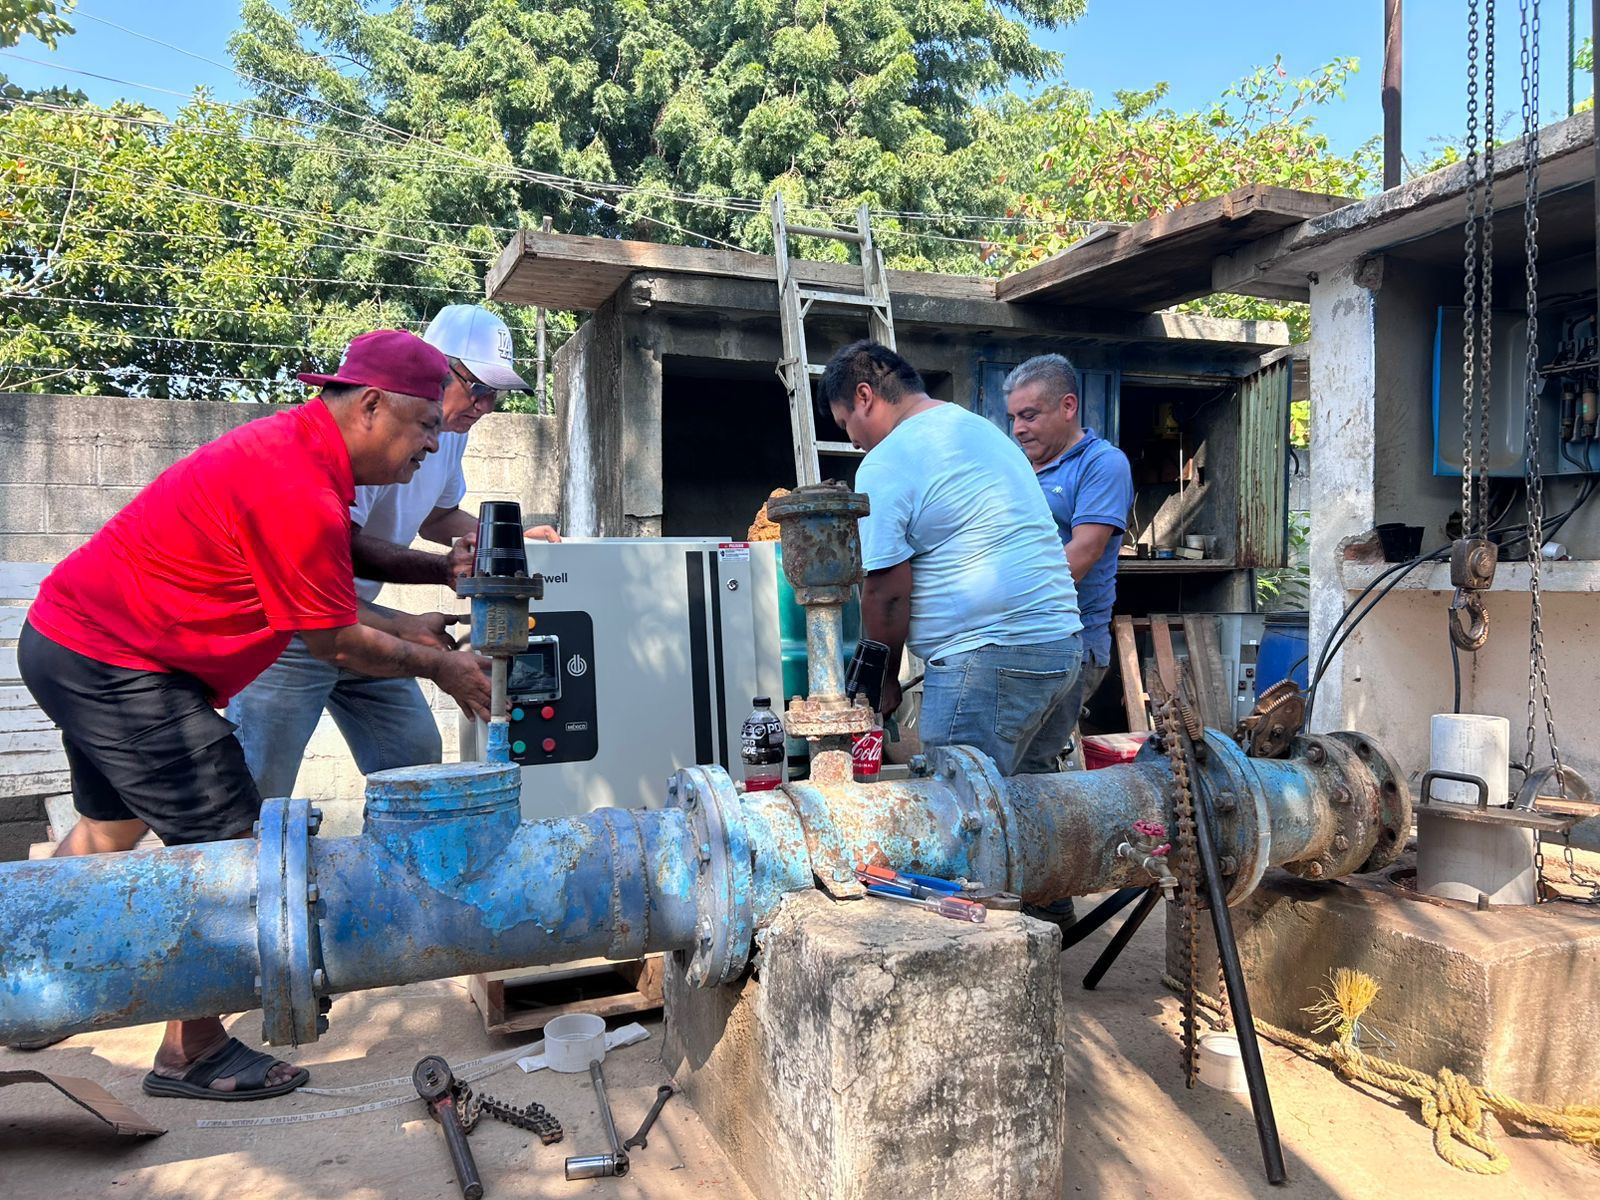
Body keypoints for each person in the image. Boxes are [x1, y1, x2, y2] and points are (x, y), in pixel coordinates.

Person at [16, 330, 491, 1099]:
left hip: (77, 642)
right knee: (233, 859)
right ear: (372, 406)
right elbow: (332, 639)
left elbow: (339, 551)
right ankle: (191, 1055)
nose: (432, 448)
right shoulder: (294, 483)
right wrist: (440, 665)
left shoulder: (300, 452)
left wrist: (431, 584)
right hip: (122, 666)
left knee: (110, 831)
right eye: (426, 427)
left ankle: (26, 986)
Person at [228, 304, 559, 800]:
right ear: (433, 369)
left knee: (415, 755)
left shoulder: (444, 437)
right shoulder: (368, 441)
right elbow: (342, 545)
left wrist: (503, 538)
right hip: (295, 627)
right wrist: (440, 575)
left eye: (496, 396)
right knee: (257, 788)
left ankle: (395, 863)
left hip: (361, 619)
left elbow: (437, 516)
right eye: (480, 389)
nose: (485, 406)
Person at [821, 340, 1083, 777]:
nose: (851, 440)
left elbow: (885, 592)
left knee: (959, 816)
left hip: (989, 666)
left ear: (865, 396)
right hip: (1060, 651)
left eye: (846, 422)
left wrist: (883, 683)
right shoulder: (980, 430)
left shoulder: (886, 460)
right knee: (1030, 816)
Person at [1004, 354, 1135, 748]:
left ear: (1068, 406)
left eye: (1029, 415)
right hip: (1017, 635)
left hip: (1069, 643)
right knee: (1006, 763)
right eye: (1013, 418)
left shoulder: (1102, 464)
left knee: (1031, 764)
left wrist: (995, 599)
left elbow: (1082, 554)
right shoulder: (1018, 466)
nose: (1018, 429)